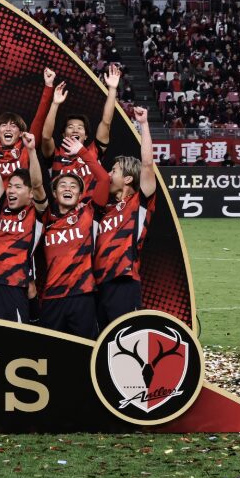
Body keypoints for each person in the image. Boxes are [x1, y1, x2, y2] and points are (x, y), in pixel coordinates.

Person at [38, 137, 111, 338]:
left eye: (73, 186)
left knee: (86, 349)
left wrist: (82, 152)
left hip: (82, 295)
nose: (68, 188)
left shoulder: (88, 213)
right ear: (54, 193)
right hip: (51, 297)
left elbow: (104, 180)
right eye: (62, 185)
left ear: (80, 195)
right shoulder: (46, 219)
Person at [94, 106, 157, 328]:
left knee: (125, 338)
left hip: (124, 281)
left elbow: (147, 164)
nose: (108, 174)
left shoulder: (139, 203)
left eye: (114, 171)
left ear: (128, 179)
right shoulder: (104, 209)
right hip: (98, 284)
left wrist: (144, 124)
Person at [0, 131, 46, 322]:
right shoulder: (3, 207)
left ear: (30, 194)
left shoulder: (37, 213)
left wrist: (31, 151)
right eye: (10, 186)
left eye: (17, 187)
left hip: (14, 284)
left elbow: (37, 184)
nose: (11, 191)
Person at [41, 64, 121, 196]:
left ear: (86, 136)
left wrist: (112, 89)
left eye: (80, 128)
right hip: (62, 208)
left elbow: (106, 123)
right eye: (70, 127)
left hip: (90, 208)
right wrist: (55, 104)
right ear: (64, 134)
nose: (75, 130)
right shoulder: (55, 155)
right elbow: (45, 137)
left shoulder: (94, 151)